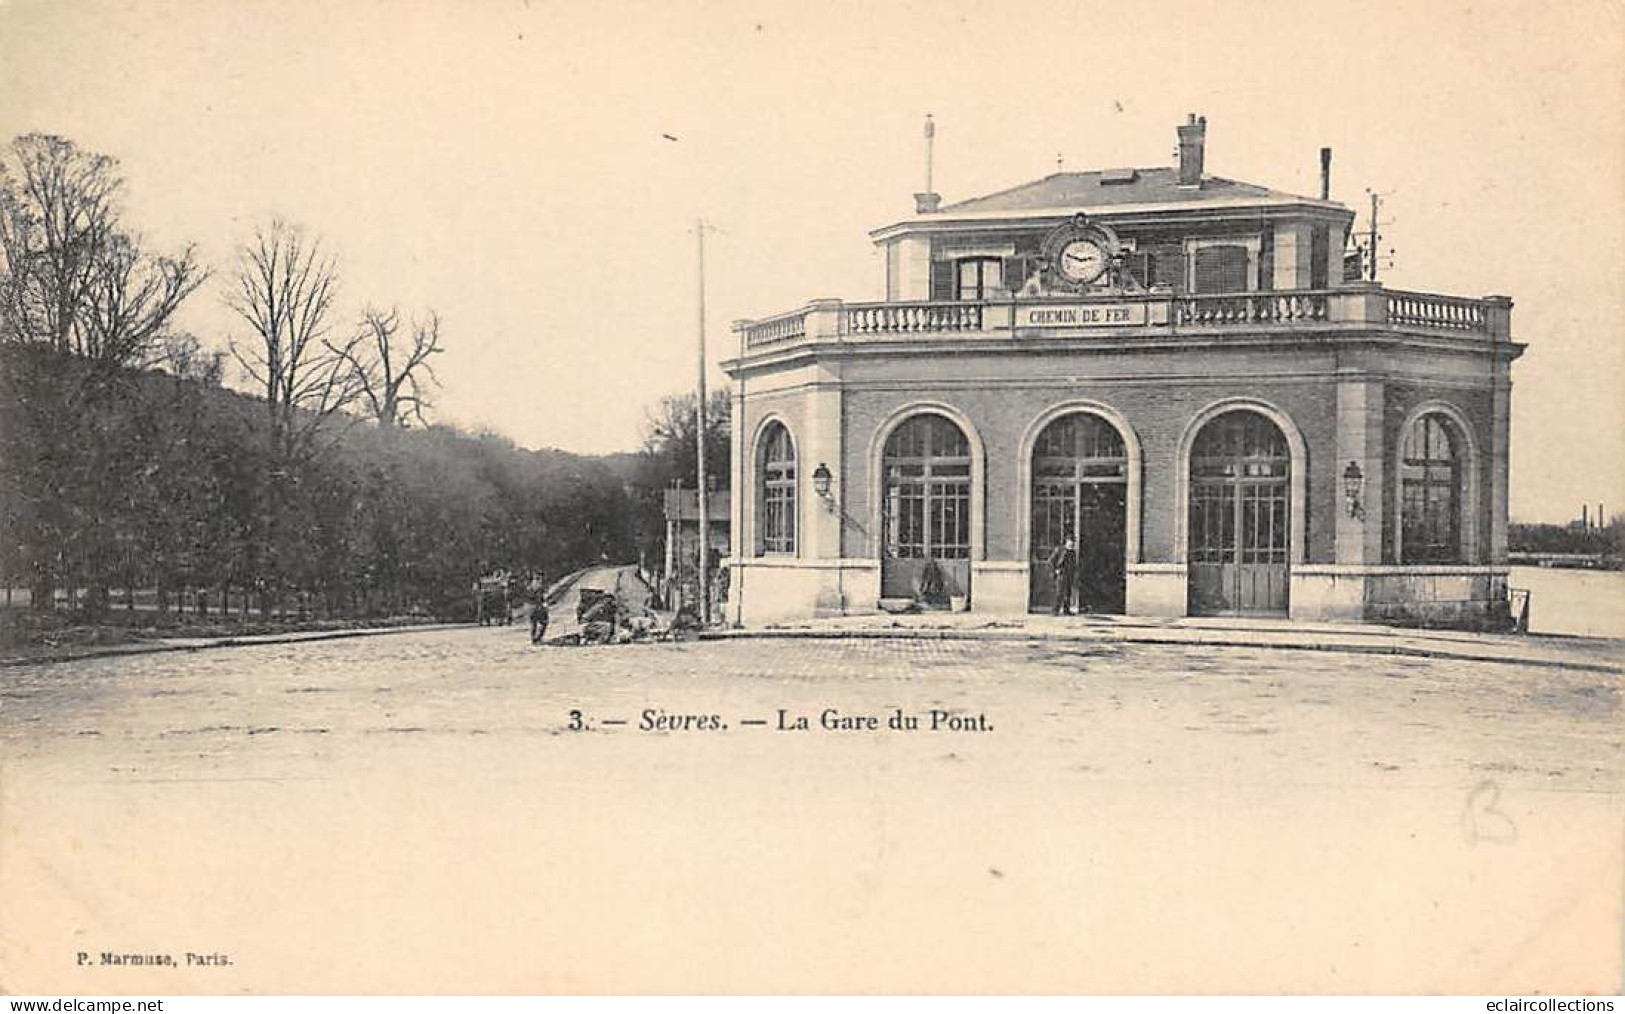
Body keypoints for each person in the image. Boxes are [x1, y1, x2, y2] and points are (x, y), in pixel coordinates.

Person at [1047, 536, 1078, 615]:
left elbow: (1074, 564)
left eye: (1073, 542)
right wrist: (1055, 570)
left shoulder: (1073, 552)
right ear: (1067, 541)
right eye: (1071, 541)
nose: (1072, 543)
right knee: (1059, 592)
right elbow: (1050, 561)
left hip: (1069, 574)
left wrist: (1074, 573)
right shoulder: (1060, 550)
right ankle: (1055, 610)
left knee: (1068, 593)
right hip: (1061, 574)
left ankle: (1066, 610)